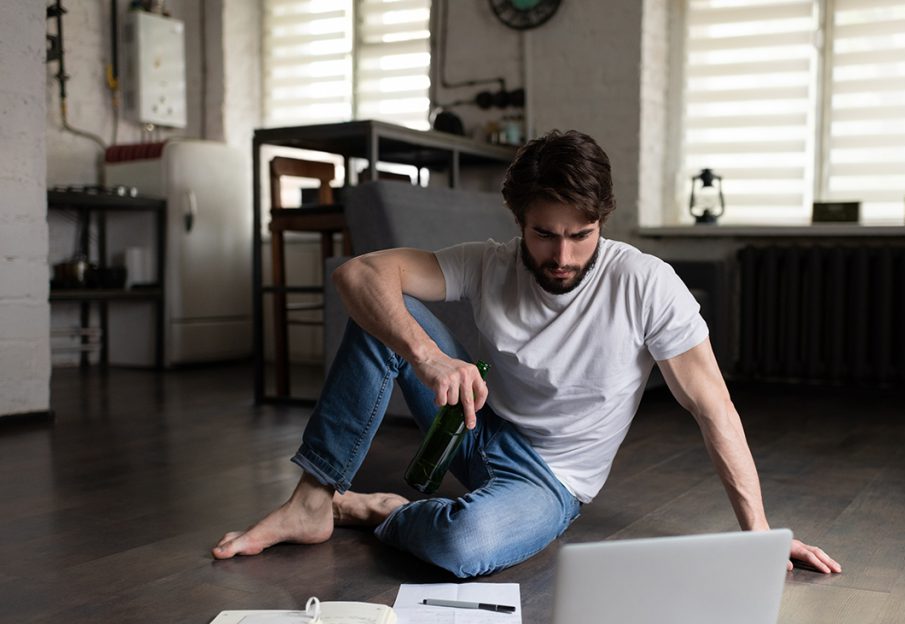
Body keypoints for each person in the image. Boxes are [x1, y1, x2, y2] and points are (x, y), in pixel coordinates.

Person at [213, 130, 841, 577]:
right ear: (518, 220)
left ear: (604, 221)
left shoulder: (646, 284)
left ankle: (385, 510)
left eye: (581, 236)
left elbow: (715, 409)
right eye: (544, 234)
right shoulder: (486, 263)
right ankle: (313, 500)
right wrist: (429, 355)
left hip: (550, 480)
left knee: (462, 545)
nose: (562, 258)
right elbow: (358, 273)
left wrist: (759, 537)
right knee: (381, 316)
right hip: (477, 422)